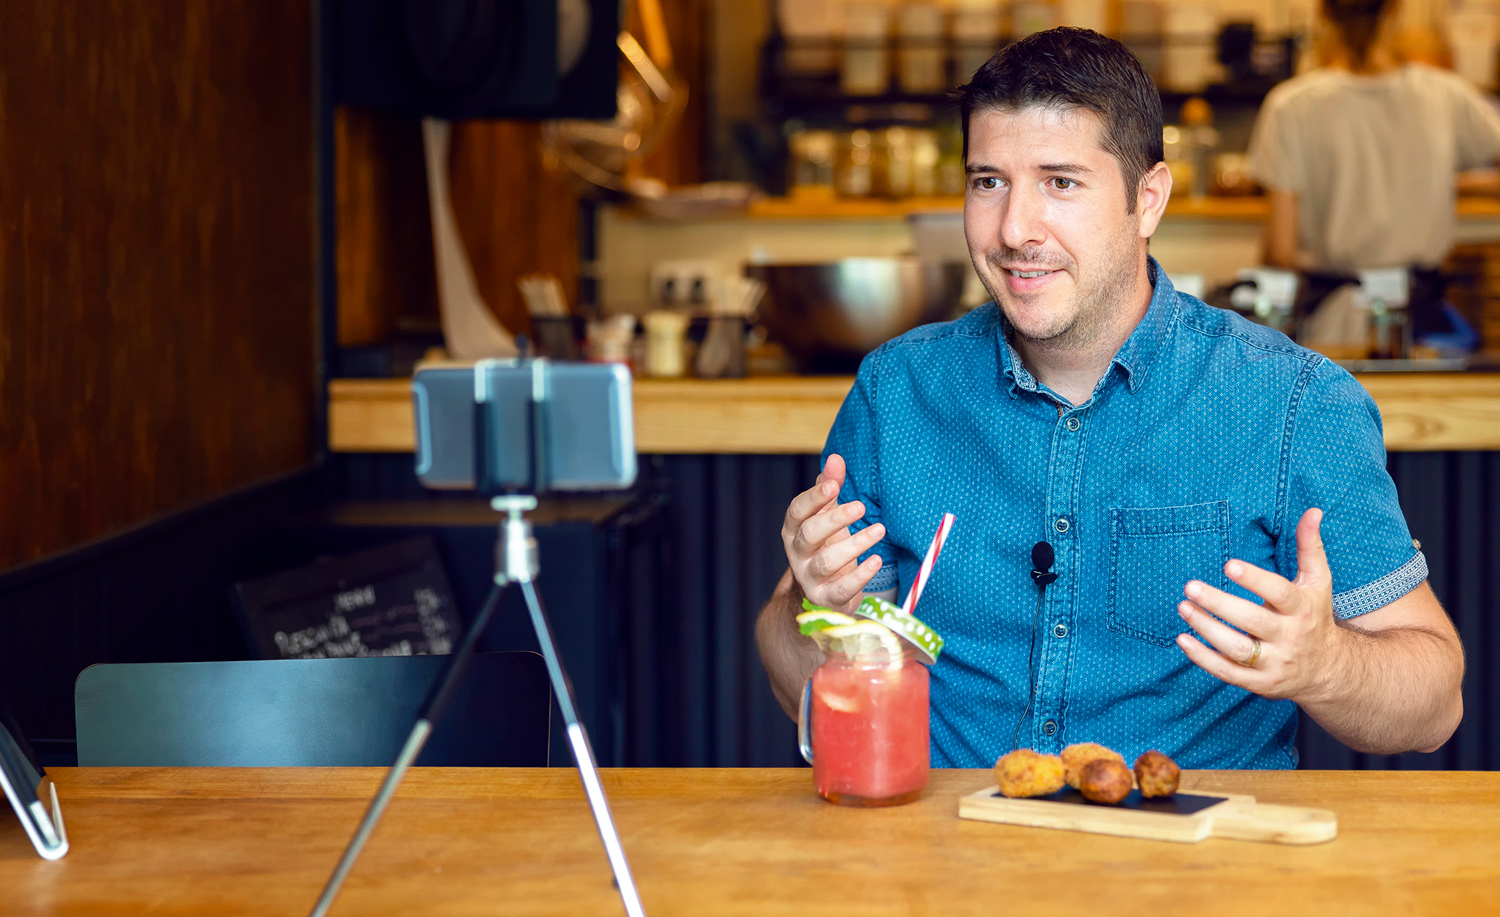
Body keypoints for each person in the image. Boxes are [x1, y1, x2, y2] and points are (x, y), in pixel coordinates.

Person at [755, 27, 1464, 769]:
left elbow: (1435, 700)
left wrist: (1326, 665)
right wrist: (818, 617)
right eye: (988, 181)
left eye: (1060, 182)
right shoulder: (897, 392)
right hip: (946, 860)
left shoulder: (1291, 403)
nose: (1014, 229)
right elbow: (790, 656)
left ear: (1147, 199)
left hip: (1196, 864)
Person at [1245, 0, 1500, 346]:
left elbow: (1280, 251)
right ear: (1396, 12)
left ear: (1323, 15)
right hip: (1423, 328)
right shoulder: (1445, 95)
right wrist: (1446, 185)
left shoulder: (1291, 105)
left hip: (1331, 328)